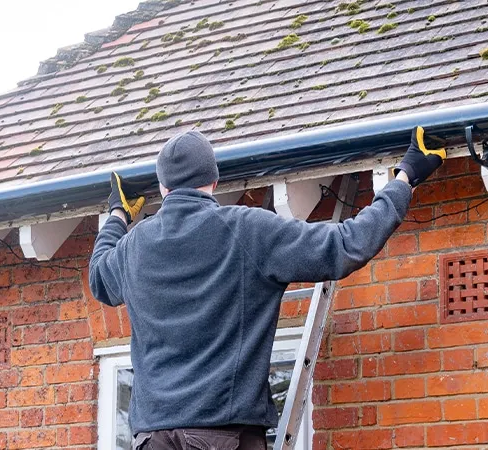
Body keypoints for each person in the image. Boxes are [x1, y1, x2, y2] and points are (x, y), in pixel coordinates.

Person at [89, 127, 446, 450]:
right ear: (214, 180)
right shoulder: (247, 229)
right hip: (222, 434)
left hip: (152, 438)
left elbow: (99, 278)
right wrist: (405, 177)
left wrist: (118, 213)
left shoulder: (134, 246)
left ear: (164, 188)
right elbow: (347, 244)